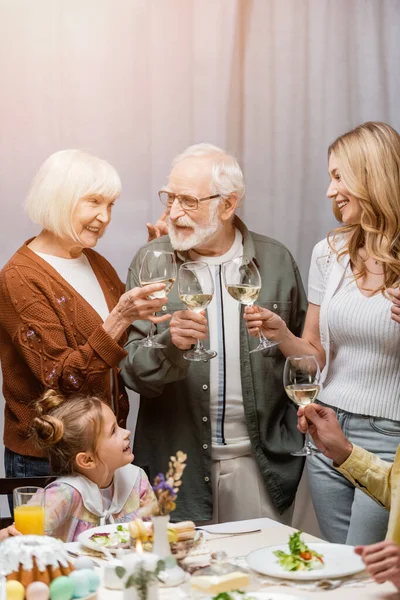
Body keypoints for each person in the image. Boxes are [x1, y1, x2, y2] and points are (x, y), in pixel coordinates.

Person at [121, 143, 307, 524]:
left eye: (188, 201)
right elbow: (131, 372)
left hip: (261, 466)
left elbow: (306, 362)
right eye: (169, 198)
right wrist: (169, 344)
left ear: (227, 205)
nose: (173, 212)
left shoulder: (276, 262)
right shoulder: (152, 262)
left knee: (257, 578)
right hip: (176, 468)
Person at [244, 122, 400, 545]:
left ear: (372, 175)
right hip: (325, 427)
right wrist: (280, 334)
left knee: (368, 571)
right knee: (337, 566)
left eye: (338, 176)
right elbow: (313, 355)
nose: (330, 191)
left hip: (389, 439)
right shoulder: (328, 253)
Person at [0, 149, 169, 480]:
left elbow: (126, 331)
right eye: (94, 202)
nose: (105, 217)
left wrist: (153, 256)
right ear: (58, 199)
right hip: (49, 457)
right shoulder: (19, 277)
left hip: (101, 449)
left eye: (110, 205)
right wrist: (119, 318)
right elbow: (64, 380)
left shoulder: (94, 261)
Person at [0, 389, 155, 542]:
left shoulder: (136, 479)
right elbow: (23, 539)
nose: (126, 432)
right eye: (113, 431)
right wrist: (8, 535)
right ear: (87, 460)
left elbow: (156, 532)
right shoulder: (63, 493)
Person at [297, 403, 400, 590]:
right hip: (332, 418)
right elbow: (395, 488)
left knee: (359, 582)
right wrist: (345, 452)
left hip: (387, 422)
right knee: (335, 578)